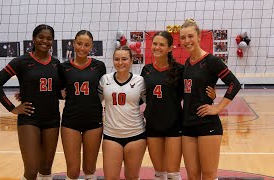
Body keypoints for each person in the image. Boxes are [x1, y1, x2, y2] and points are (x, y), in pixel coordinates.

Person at [140, 31, 216, 180]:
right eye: (155, 44)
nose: (157, 47)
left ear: (170, 48)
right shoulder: (146, 70)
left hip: (174, 125)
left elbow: (193, 89)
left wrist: (211, 96)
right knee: (159, 173)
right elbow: (140, 97)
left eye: (161, 44)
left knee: (173, 174)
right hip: (152, 125)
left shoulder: (180, 70)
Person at [0, 24, 61, 180]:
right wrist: (12, 108)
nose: (45, 41)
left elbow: (59, 93)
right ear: (33, 39)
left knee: (46, 168)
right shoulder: (21, 61)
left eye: (49, 38)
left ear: (53, 42)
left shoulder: (57, 64)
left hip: (52, 119)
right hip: (29, 118)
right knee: (31, 170)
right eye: (41, 37)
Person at [179, 19, 241, 180]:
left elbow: (234, 84)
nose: (187, 41)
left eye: (190, 36)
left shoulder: (211, 61)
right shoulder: (187, 63)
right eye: (183, 37)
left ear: (199, 37)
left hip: (208, 125)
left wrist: (218, 107)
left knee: (208, 175)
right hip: (187, 126)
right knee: (192, 176)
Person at [58, 30, 106, 180]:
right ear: (73, 43)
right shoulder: (64, 67)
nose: (82, 48)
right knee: (72, 171)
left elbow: (105, 89)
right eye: (79, 43)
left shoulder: (99, 66)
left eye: (86, 45)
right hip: (70, 121)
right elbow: (55, 90)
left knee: (90, 169)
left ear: (91, 47)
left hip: (93, 120)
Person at [98, 46, 147, 180]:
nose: (120, 62)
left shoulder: (140, 81)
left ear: (131, 60)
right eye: (117, 59)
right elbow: (93, 102)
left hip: (136, 135)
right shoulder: (105, 80)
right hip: (111, 135)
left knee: (132, 177)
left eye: (124, 59)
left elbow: (152, 103)